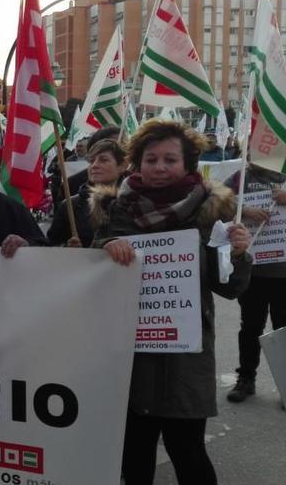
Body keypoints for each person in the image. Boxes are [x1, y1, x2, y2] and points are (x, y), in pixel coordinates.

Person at [93, 120, 252, 485]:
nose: (160, 167)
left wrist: (238, 255)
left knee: (188, 451)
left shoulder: (210, 212)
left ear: (188, 164)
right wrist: (104, 250)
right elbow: (90, 275)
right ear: (136, 164)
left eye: (170, 159)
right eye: (151, 159)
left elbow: (229, 288)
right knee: (134, 453)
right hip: (130, 354)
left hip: (186, 358)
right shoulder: (115, 209)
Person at [223, 161, 286, 402]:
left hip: (284, 272)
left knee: (283, 328)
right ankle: (245, 379)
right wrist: (245, 209)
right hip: (253, 270)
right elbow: (216, 202)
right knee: (250, 327)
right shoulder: (243, 177)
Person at [47, 139, 127, 247]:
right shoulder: (69, 206)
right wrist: (67, 247)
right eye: (91, 161)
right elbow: (50, 247)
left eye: (103, 160)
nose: (94, 165)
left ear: (122, 166)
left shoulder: (135, 201)